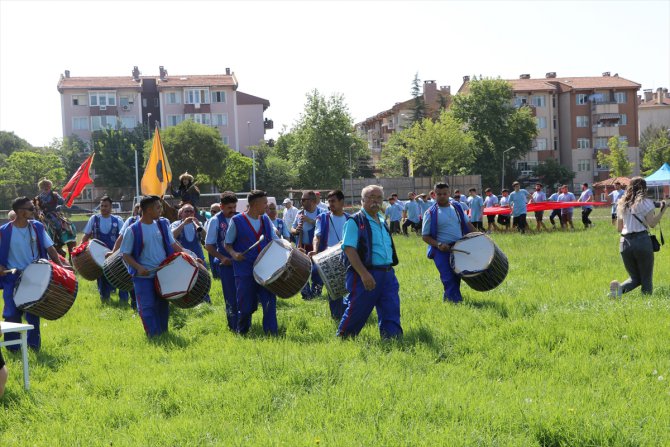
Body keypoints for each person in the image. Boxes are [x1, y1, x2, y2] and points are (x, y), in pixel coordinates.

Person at [0, 197, 68, 351]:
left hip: (34, 277)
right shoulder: (4, 231)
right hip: (12, 277)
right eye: (30, 208)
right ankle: (13, 348)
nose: (34, 211)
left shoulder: (37, 227)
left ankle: (33, 347)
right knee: (11, 313)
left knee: (33, 313)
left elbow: (50, 249)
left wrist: (61, 266)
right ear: (20, 211)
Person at [337, 185, 402, 339]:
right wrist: (364, 274)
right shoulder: (355, 221)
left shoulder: (381, 220)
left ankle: (392, 340)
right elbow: (349, 249)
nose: (375, 201)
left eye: (379, 197)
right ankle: (344, 339)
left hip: (387, 273)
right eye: (371, 197)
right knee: (358, 309)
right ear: (363, 200)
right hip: (365, 273)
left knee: (391, 308)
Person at [121, 195, 183, 337]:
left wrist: (189, 256)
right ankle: (154, 336)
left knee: (162, 305)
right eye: (158, 207)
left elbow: (174, 244)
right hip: (143, 276)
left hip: (162, 274)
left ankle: (163, 333)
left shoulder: (162, 225)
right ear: (149, 210)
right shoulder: (133, 230)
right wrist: (138, 267)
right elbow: (125, 254)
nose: (161, 210)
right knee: (147, 306)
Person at [225, 190, 280, 335]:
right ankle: (242, 332)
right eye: (264, 203)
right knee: (246, 306)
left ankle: (271, 333)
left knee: (269, 302)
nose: (267, 206)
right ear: (255, 204)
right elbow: (227, 244)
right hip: (244, 270)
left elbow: (275, 240)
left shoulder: (266, 220)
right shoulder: (236, 221)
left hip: (265, 270)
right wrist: (234, 254)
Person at [610, 177, 667, 297]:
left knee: (635, 278)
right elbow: (652, 223)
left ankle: (617, 291)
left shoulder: (622, 203)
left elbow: (619, 228)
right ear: (644, 188)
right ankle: (646, 305)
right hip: (641, 241)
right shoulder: (646, 202)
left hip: (624, 242)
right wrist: (663, 210)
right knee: (646, 278)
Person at [422, 183, 475, 303]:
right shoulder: (430, 213)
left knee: (457, 276)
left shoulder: (457, 207)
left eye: (444, 194)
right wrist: (439, 245)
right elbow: (425, 236)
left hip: (459, 248)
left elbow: (468, 224)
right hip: (441, 250)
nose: (441, 196)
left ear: (449, 194)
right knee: (448, 277)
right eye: (438, 194)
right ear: (434, 194)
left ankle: (449, 300)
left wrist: (481, 237)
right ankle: (456, 303)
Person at [310, 190, 349, 320]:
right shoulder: (323, 218)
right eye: (329, 201)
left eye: (333, 201)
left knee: (350, 287)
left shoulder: (350, 219)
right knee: (335, 290)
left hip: (348, 258)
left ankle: (350, 313)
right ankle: (337, 316)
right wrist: (315, 250)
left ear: (342, 202)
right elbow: (317, 236)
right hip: (329, 259)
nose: (330, 204)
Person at [81, 196, 128, 304]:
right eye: (101, 206)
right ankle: (104, 298)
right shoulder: (94, 219)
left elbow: (123, 238)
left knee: (120, 276)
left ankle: (124, 300)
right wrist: (80, 249)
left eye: (106, 206)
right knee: (102, 277)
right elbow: (86, 235)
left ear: (111, 207)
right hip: (98, 256)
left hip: (115, 254)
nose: (103, 208)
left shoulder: (118, 220)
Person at [205, 192, 239, 331]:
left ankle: (243, 323)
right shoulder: (215, 220)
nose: (232, 210)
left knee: (243, 295)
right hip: (226, 265)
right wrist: (222, 258)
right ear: (221, 206)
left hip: (241, 263)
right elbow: (208, 245)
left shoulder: (238, 217)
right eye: (229, 207)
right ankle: (233, 326)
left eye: (234, 207)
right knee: (231, 296)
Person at [171, 204, 210, 303]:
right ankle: (187, 301)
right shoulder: (176, 224)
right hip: (183, 258)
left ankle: (205, 300)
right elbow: (172, 236)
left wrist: (199, 226)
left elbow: (206, 238)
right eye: (186, 211)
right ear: (181, 214)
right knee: (185, 281)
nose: (189, 213)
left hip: (199, 257)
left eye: (191, 211)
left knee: (202, 280)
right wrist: (183, 224)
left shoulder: (198, 223)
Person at [291, 191, 324, 299]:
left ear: (313, 201)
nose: (302, 201)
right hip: (302, 247)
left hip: (317, 248)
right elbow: (292, 229)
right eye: (302, 199)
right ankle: (306, 295)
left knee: (317, 271)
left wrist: (310, 220)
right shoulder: (300, 213)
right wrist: (296, 230)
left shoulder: (322, 212)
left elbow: (324, 227)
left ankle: (316, 293)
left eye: (304, 200)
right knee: (301, 271)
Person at [207, 203, 222, 279]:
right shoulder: (208, 222)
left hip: (220, 246)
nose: (213, 213)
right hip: (211, 247)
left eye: (216, 211)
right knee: (213, 266)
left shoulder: (221, 220)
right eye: (212, 211)